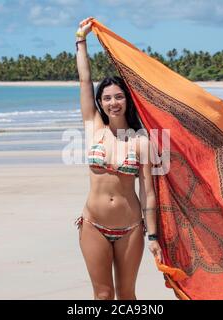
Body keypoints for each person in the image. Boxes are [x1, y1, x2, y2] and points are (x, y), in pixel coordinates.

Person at [75, 17, 162, 300]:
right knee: (102, 295)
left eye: (119, 97)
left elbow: (148, 192)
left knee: (127, 295)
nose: (113, 103)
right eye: (107, 98)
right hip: (93, 224)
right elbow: (85, 80)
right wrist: (81, 40)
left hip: (130, 228)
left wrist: (153, 236)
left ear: (128, 100)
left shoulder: (141, 141)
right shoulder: (93, 127)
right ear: (101, 102)